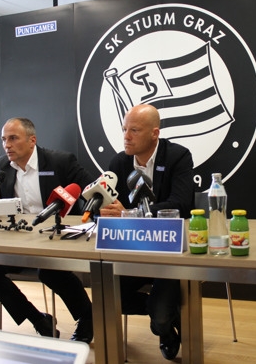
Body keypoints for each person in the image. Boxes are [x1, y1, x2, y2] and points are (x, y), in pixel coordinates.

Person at [0, 117, 96, 343]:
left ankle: (87, 319)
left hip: (56, 238)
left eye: (13, 138)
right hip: (19, 240)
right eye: (3, 140)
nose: (7, 145)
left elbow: (92, 189)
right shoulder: (2, 166)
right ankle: (37, 318)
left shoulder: (60, 161)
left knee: (49, 270)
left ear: (32, 141)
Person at [100, 104, 194, 360]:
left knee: (160, 314)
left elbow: (182, 204)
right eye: (124, 130)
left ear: (154, 133)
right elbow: (110, 205)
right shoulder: (119, 161)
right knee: (104, 298)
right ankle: (169, 316)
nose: (126, 136)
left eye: (134, 130)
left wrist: (130, 214)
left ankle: (164, 323)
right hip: (131, 250)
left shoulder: (178, 156)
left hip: (169, 251)